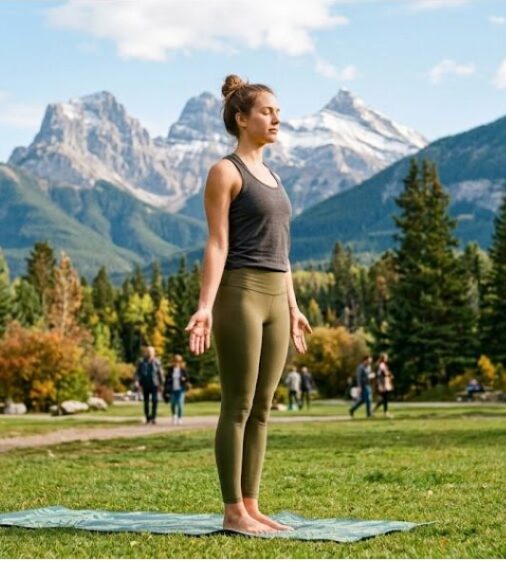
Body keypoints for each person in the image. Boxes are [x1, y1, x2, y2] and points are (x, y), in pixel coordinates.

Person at [184, 75, 311, 536]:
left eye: (277, 112)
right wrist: (205, 305)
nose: (276, 118)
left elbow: (283, 252)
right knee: (236, 406)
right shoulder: (226, 171)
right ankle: (232, 509)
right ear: (241, 118)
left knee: (263, 407)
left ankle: (252, 506)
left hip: (278, 295)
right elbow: (217, 244)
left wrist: (294, 306)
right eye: (266, 111)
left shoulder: (275, 177)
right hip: (240, 293)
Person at [134, 346, 164, 424]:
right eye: (148, 352)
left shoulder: (157, 362)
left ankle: (153, 417)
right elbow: (137, 373)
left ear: (154, 353)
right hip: (145, 384)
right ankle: (147, 418)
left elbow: (160, 373)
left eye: (151, 352)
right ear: (146, 353)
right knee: (146, 402)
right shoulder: (142, 362)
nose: (149, 353)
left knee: (155, 401)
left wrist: (161, 384)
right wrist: (137, 381)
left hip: (155, 384)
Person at [167, 354, 190, 424]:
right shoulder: (171, 369)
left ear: (180, 362)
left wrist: (184, 379)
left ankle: (180, 417)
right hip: (173, 389)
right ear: (173, 361)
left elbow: (187, 378)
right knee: (173, 404)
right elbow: (167, 379)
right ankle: (174, 416)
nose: (176, 362)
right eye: (175, 361)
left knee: (180, 403)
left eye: (178, 361)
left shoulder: (183, 369)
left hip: (181, 389)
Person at [373, 353, 394, 417]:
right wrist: (390, 375)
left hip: (384, 383)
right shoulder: (382, 365)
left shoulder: (382, 365)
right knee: (384, 398)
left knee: (384, 398)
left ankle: (383, 411)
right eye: (386, 357)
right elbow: (384, 373)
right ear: (383, 358)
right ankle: (382, 411)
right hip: (383, 384)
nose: (387, 359)